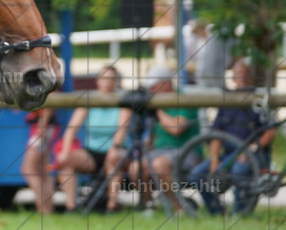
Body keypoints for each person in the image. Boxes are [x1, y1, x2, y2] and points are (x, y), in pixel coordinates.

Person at [188, 58, 274, 215]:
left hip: (254, 156)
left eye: (245, 74)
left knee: (239, 169)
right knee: (197, 175)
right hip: (228, 155)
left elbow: (270, 132)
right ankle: (218, 212)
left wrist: (251, 149)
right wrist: (214, 159)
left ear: (251, 78)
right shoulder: (227, 102)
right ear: (233, 79)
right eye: (238, 75)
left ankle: (239, 213)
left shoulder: (259, 101)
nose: (241, 78)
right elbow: (217, 134)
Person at [54, 65, 131, 212]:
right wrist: (64, 152)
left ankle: (111, 207)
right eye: (104, 78)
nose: (107, 83)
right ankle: (71, 208)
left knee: (113, 159)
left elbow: (121, 132)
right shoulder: (90, 99)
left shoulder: (123, 101)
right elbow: (71, 129)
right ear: (97, 81)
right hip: (92, 151)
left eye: (111, 79)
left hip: (117, 151)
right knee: (65, 161)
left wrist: (115, 148)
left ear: (116, 82)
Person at [138, 64, 201, 213]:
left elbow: (176, 129)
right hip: (161, 151)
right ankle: (148, 207)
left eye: (154, 87)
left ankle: (180, 207)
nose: (150, 91)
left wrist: (157, 111)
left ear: (166, 84)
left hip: (187, 151)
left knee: (159, 165)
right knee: (137, 168)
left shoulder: (184, 99)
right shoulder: (156, 101)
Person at [20, 104, 60, 213]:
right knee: (42, 171)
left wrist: (42, 124)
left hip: (42, 127)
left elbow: (51, 96)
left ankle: (43, 209)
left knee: (28, 169)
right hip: (44, 126)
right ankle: (48, 209)